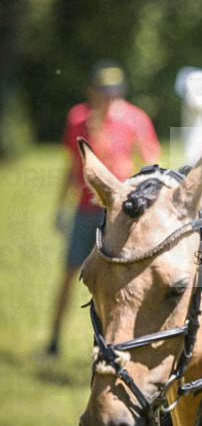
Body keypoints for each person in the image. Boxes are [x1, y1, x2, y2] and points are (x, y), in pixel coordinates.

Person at [45, 62, 161, 356]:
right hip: (85, 208)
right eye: (103, 92)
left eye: (114, 92)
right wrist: (62, 205)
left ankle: (118, 344)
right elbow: (73, 165)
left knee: (122, 280)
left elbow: (151, 161)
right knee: (72, 272)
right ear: (91, 91)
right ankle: (53, 342)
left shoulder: (135, 118)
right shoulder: (78, 118)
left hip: (120, 212)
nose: (109, 98)